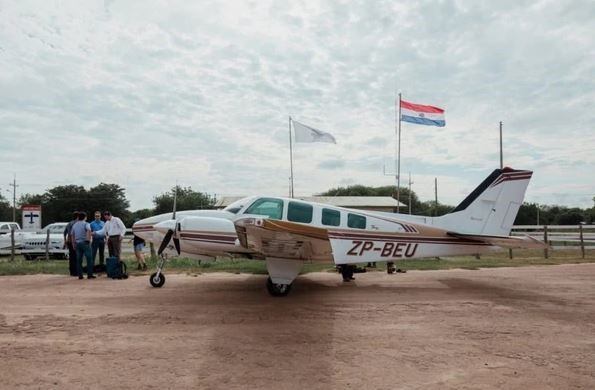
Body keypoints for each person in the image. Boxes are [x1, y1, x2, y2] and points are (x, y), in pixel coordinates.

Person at [70, 212, 95, 279]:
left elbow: (72, 235)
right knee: (89, 259)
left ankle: (80, 275)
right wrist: (88, 240)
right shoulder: (86, 224)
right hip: (85, 242)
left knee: (79, 260)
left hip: (77, 243)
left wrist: (73, 244)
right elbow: (89, 230)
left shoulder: (74, 225)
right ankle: (89, 274)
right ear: (85, 217)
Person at [63, 211, 79, 276]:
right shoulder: (77, 223)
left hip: (69, 241)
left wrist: (65, 240)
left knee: (71, 257)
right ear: (78, 216)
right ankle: (76, 271)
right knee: (76, 257)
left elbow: (64, 233)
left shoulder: (69, 223)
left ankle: (72, 272)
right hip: (75, 241)